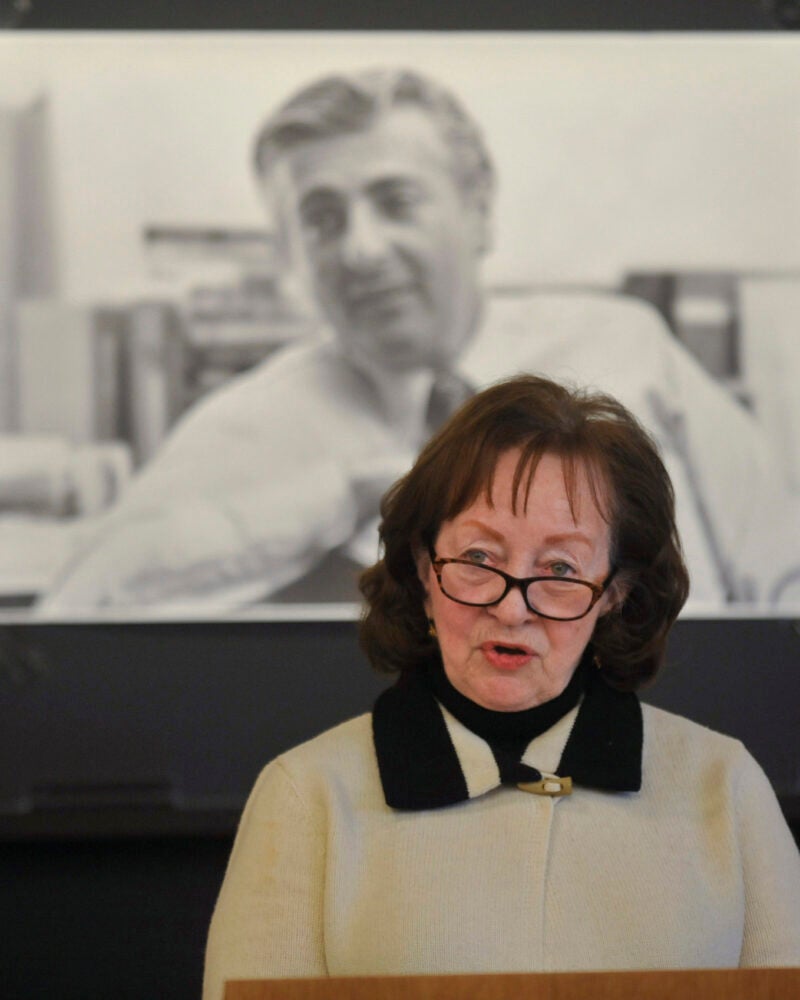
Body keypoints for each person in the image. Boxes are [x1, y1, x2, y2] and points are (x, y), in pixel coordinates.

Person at [36, 67, 799, 615]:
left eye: (395, 201)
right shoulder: (247, 422)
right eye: (322, 217)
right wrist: (328, 502)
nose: (360, 250)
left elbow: (784, 566)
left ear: (478, 209)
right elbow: (75, 609)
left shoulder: (626, 345)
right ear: (289, 251)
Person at [202, 375, 800, 996]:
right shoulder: (305, 800)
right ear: (422, 568)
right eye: (481, 559)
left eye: (560, 568)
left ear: (614, 596)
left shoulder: (725, 789)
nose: (512, 610)